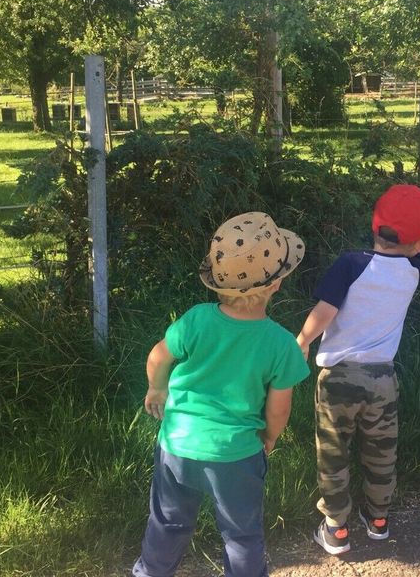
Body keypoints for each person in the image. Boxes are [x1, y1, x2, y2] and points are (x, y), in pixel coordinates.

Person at [132, 212, 310, 577]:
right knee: (241, 534)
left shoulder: (196, 319)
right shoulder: (280, 344)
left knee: (168, 522)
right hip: (236, 453)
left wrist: (156, 388)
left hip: (177, 445)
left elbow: (158, 356)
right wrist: (270, 437)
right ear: (276, 285)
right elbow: (280, 407)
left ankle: (150, 573)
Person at [296, 184, 420, 555]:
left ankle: (336, 529)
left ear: (375, 228)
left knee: (333, 453)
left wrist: (303, 341)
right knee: (381, 452)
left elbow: (325, 312)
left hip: (339, 380)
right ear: (418, 240)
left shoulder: (351, 263)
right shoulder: (413, 273)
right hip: (382, 381)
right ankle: (378, 519)